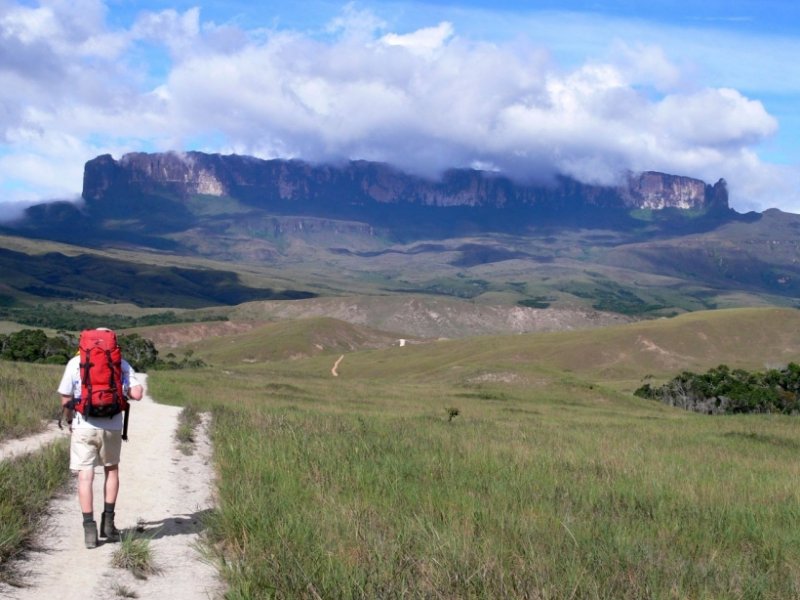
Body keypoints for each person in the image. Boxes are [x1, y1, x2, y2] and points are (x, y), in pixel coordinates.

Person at [57, 329, 143, 549]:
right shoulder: (120, 363)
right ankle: (108, 526)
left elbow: (65, 399)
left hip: (83, 425)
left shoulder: (75, 362)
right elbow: (137, 394)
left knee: (85, 477)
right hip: (112, 426)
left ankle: (89, 531)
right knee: (111, 471)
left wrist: (70, 421)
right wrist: (126, 388)